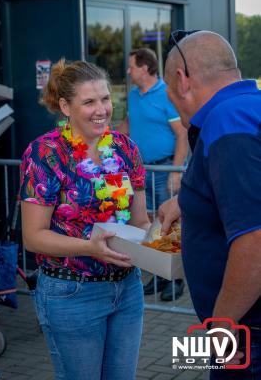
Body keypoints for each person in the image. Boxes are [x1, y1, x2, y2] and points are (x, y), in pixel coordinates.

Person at [19, 59, 151, 380]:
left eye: (105, 98)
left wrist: (156, 245)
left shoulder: (125, 149)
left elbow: (140, 221)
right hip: (71, 294)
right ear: (65, 106)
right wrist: (89, 247)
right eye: (89, 101)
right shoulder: (45, 153)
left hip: (127, 290)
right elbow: (33, 236)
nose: (101, 109)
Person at [159, 30, 261, 379]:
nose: (175, 104)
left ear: (181, 79)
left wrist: (222, 325)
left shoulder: (226, 122)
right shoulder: (250, 108)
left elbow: (255, 240)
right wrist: (187, 201)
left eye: (170, 95)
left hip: (248, 333)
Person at [118, 48, 187, 301]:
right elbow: (127, 124)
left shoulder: (166, 94)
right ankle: (158, 275)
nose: (128, 71)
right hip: (140, 170)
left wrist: (176, 171)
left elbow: (181, 134)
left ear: (145, 68)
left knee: (169, 225)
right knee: (148, 224)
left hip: (164, 168)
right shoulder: (134, 95)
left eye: (131, 66)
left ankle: (176, 280)